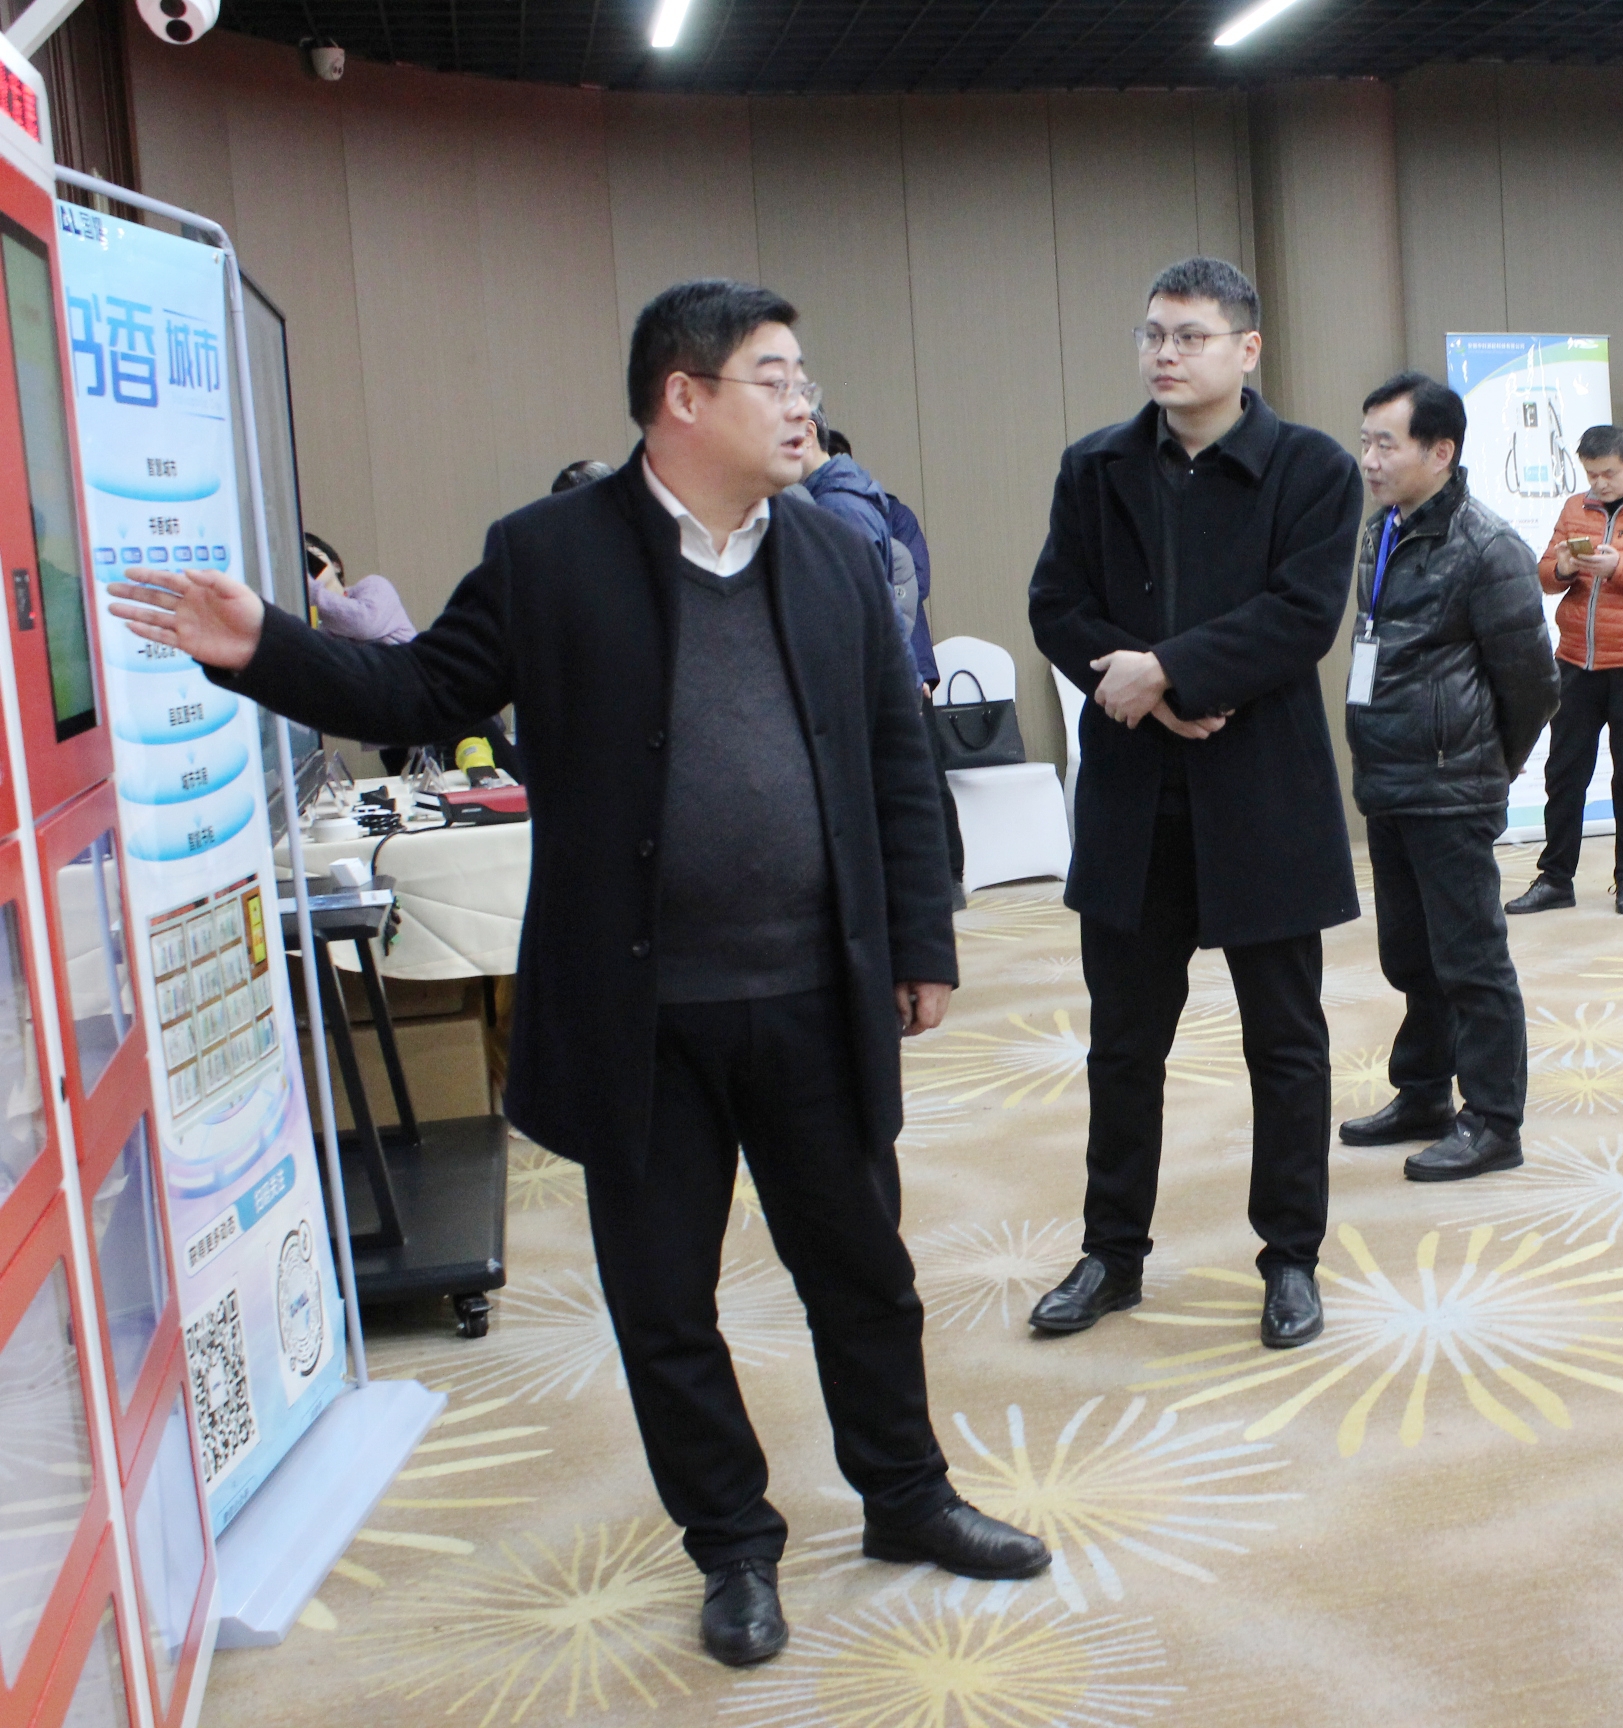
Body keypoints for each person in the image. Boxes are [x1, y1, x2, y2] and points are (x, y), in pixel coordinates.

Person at [107, 279, 1048, 1671]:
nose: (804, 404)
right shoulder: (548, 554)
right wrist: (264, 647)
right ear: (684, 396)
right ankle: (733, 1547)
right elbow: (419, 692)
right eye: (776, 377)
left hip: (813, 996)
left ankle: (907, 1497)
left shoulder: (837, 554)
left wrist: (922, 938)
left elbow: (893, 762)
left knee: (864, 1273)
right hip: (638, 1014)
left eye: (803, 378)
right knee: (664, 1305)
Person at [1025, 255, 1361, 1348]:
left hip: (1260, 791)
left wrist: (1165, 671)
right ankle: (1111, 1253)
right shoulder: (1095, 466)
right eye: (1153, 334)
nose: (1165, 355)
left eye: (1190, 336)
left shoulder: (1312, 468)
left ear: (1247, 350)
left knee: (1287, 1045)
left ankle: (1291, 1257)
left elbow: (1303, 615)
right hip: (1136, 796)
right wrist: (1142, 692)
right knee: (1123, 1047)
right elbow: (1055, 604)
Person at [1338, 371, 1557, 1181]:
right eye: (1365, 442)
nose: (1369, 459)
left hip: (1450, 786)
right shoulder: (1382, 531)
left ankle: (1495, 1120)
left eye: (1385, 444)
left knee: (1471, 961)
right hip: (1389, 778)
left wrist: (1489, 765)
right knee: (1411, 956)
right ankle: (1424, 1091)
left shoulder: (1488, 548)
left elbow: (1533, 683)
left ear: (1440, 451)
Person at [1504, 423, 1623, 918]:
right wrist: (1564, 568)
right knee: (1564, 773)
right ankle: (1555, 878)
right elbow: (1544, 574)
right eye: (1591, 474)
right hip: (1575, 661)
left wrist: (1619, 568)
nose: (1599, 484)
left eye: (1608, 473)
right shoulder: (1575, 508)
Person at [795, 420, 964, 903]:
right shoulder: (822, 505)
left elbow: (910, 582)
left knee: (923, 776)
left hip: (903, 658)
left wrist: (905, 668)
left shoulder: (870, 511)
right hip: (896, 661)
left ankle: (947, 877)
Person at [304, 531, 520, 779]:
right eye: (305, 565)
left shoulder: (371, 588)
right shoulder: (325, 628)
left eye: (313, 558)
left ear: (336, 564)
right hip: (396, 730)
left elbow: (364, 623)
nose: (311, 570)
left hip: (439, 707)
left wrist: (313, 591)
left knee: (501, 776)